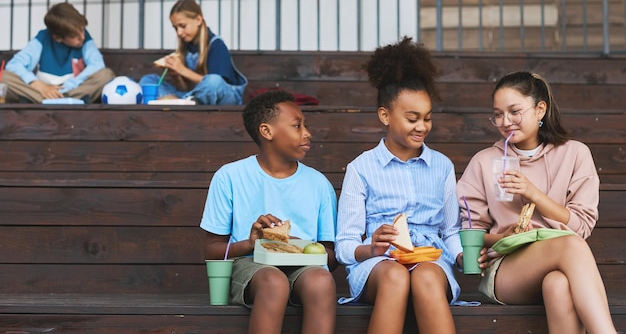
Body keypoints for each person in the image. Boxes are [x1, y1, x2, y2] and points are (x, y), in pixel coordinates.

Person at [457, 71, 617, 334]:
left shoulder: (575, 154)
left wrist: (534, 194)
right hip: (507, 271)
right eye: (498, 114)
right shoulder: (486, 161)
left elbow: (581, 226)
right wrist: (501, 236)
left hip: (563, 263)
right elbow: (472, 231)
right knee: (570, 246)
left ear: (540, 109)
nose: (505, 121)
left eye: (514, 111)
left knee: (558, 285)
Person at [335, 37, 463, 334]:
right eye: (412, 118)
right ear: (385, 115)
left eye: (427, 118)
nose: (422, 127)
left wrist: (461, 256)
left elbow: (451, 231)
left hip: (431, 259)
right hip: (378, 264)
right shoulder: (361, 168)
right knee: (395, 276)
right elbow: (344, 246)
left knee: (426, 277)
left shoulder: (442, 166)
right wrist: (371, 248)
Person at [199, 90, 337, 334]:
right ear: (267, 131)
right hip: (250, 267)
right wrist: (252, 244)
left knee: (322, 281)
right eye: (297, 126)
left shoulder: (319, 184)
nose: (307, 133)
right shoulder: (229, 177)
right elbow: (212, 250)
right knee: (274, 281)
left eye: (305, 125)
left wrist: (300, 248)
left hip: (304, 269)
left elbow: (331, 256)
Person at [1, 2, 115, 103]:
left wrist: (68, 86)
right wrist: (37, 84)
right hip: (43, 91)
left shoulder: (85, 39)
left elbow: (98, 64)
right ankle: (66, 102)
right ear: (58, 38)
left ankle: (52, 101)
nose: (82, 36)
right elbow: (14, 65)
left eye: (82, 29)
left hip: (73, 89)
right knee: (4, 77)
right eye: (75, 35)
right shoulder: (43, 38)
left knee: (106, 75)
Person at [140, 0, 246, 104]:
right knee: (149, 80)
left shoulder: (216, 44)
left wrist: (182, 70)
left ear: (198, 20)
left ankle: (179, 101)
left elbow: (215, 86)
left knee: (213, 80)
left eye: (182, 26)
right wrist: (176, 75)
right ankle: (181, 101)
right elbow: (185, 88)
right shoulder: (186, 47)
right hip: (195, 97)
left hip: (223, 97)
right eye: (175, 28)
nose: (179, 32)